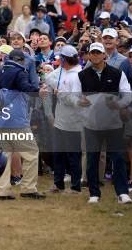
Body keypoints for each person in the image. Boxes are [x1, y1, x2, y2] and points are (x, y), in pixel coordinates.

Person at [78, 42, 132, 204]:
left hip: (113, 123)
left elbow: (127, 95)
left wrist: (119, 105)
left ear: (105, 55)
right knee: (92, 159)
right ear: (88, 55)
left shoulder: (117, 73)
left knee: (118, 158)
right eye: (92, 52)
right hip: (91, 123)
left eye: (98, 52)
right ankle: (94, 194)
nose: (95, 55)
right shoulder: (82, 75)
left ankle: (122, 193)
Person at [0, 49, 45, 200]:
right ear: (21, 60)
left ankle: (3, 190)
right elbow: (26, 87)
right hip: (16, 121)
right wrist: (38, 91)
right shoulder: (20, 73)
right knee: (31, 153)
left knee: (5, 155)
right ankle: (28, 188)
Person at [44, 45, 83, 194]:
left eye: (61, 57)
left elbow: (76, 101)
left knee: (73, 155)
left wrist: (60, 93)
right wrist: (49, 87)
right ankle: (58, 184)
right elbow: (48, 78)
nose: (59, 60)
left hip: (74, 122)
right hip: (60, 121)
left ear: (66, 59)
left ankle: (75, 187)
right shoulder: (62, 71)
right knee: (58, 153)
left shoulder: (78, 74)